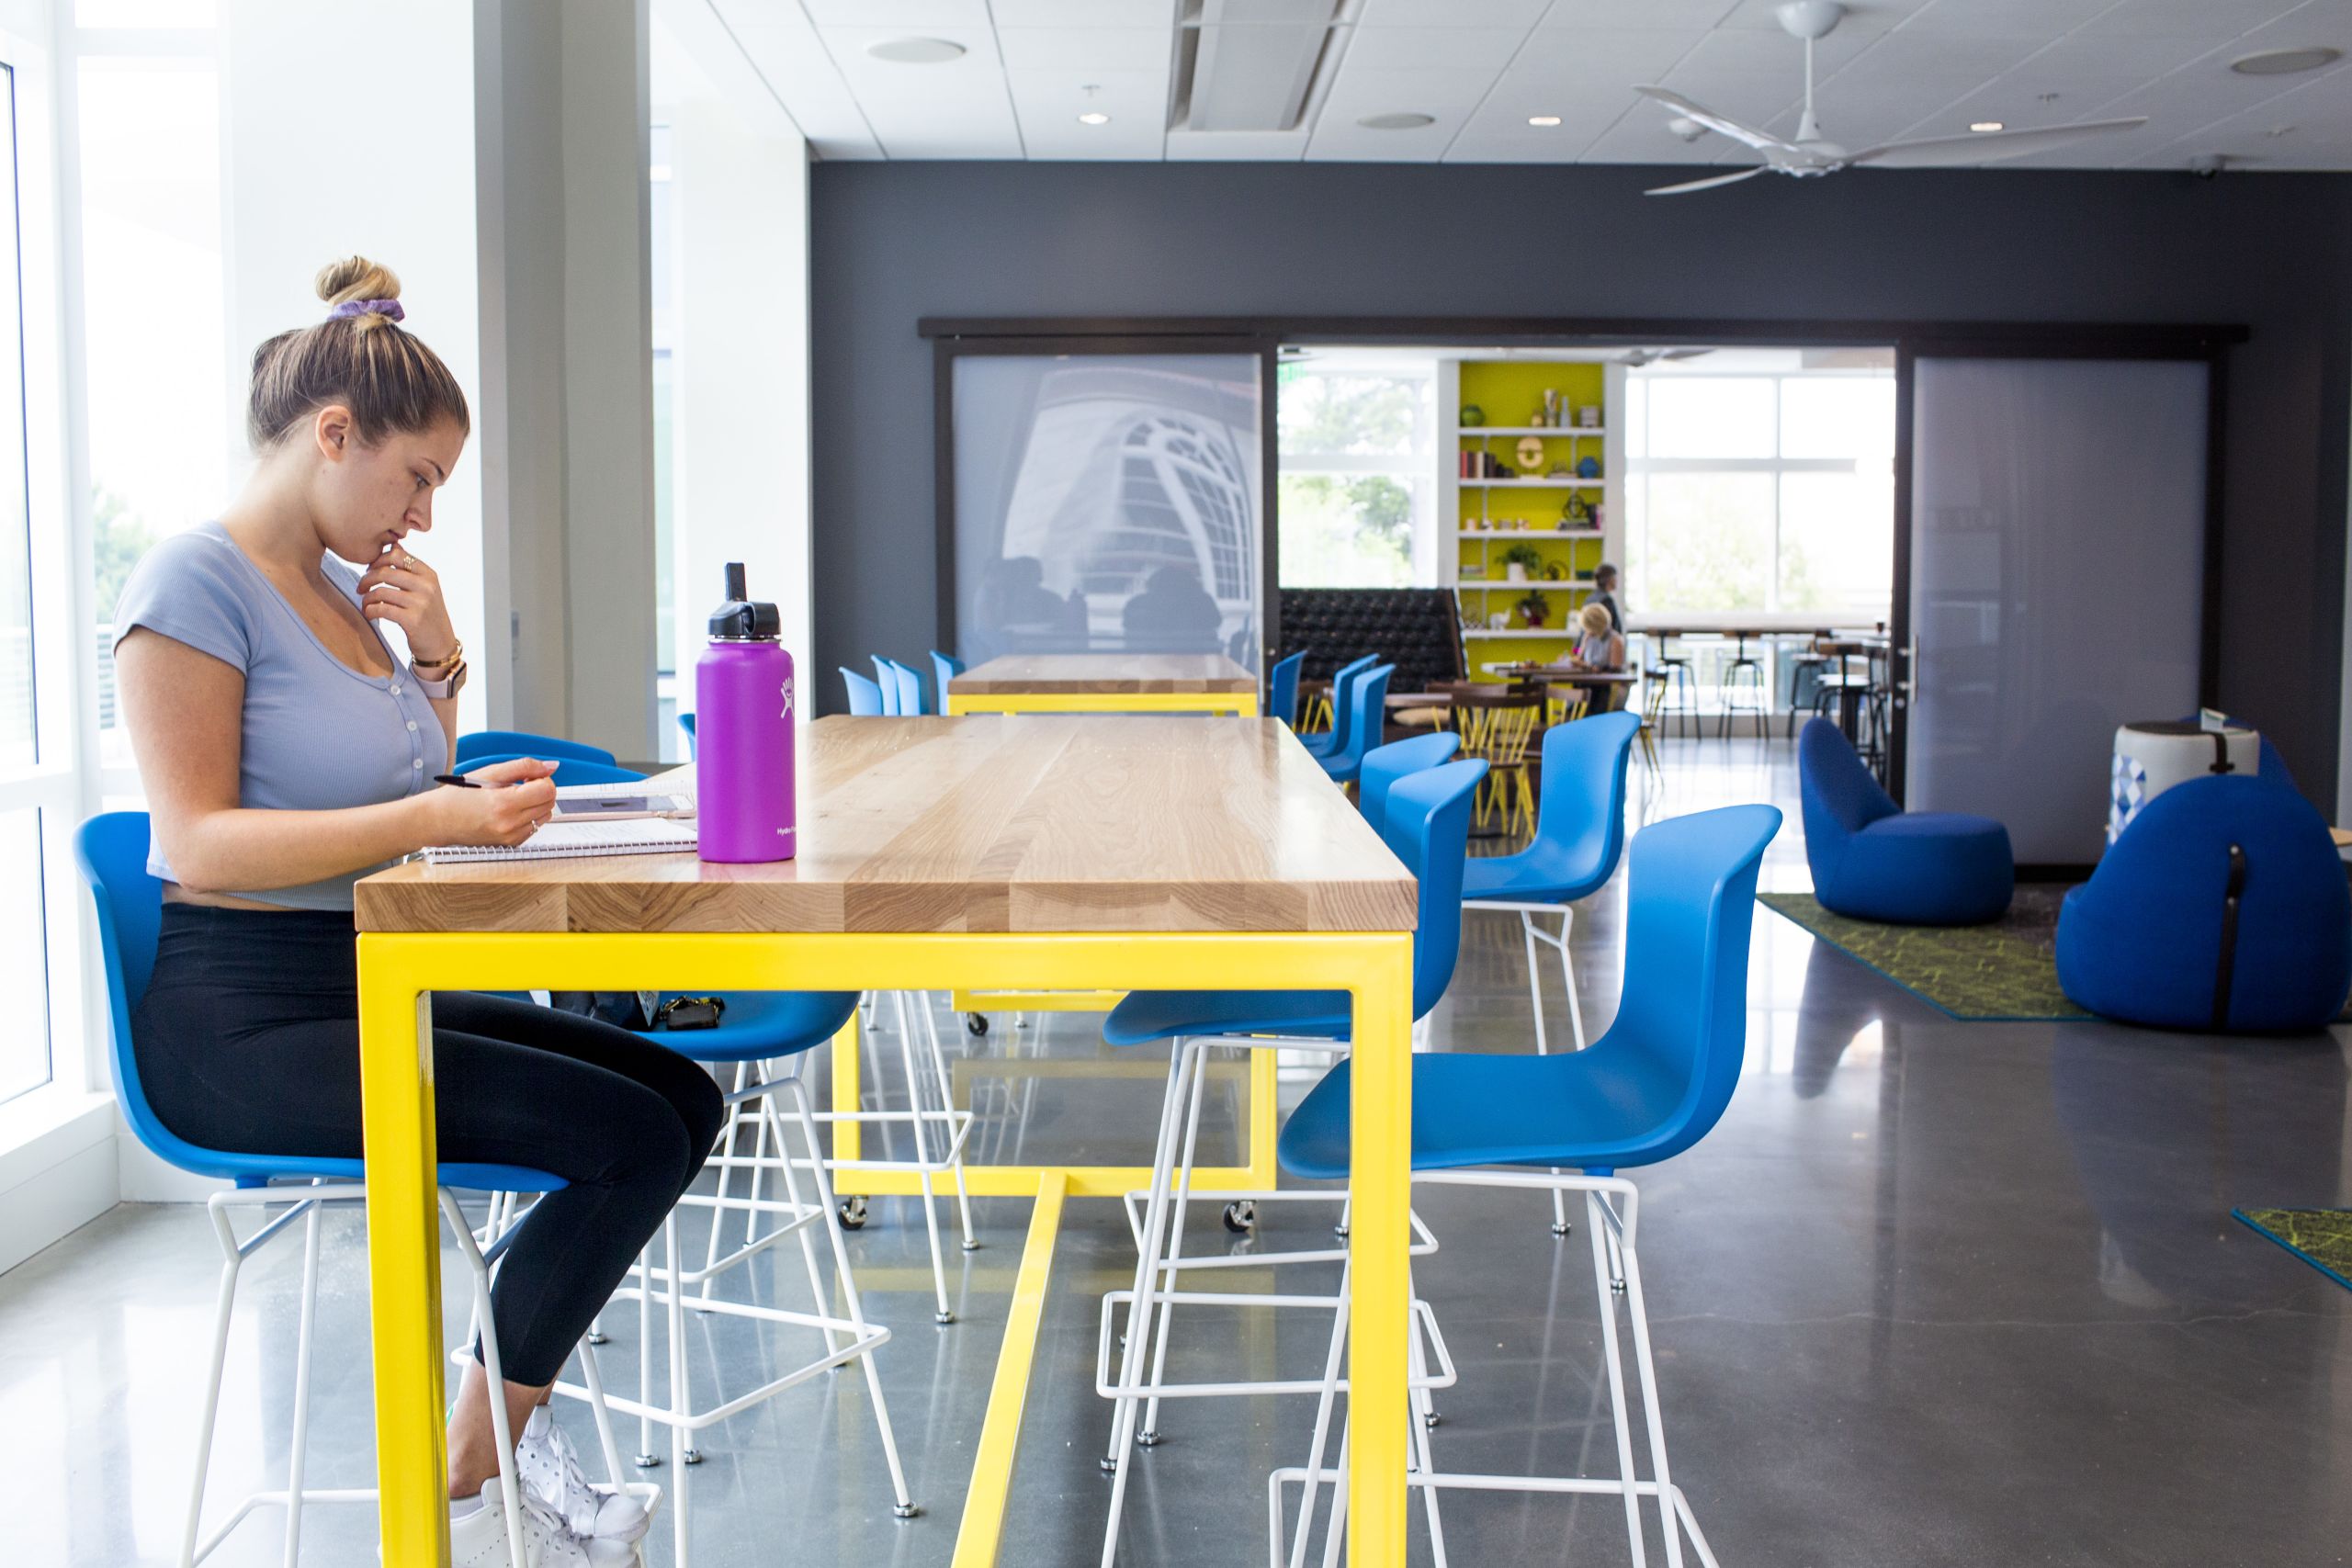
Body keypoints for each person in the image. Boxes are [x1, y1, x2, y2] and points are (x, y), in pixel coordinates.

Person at [111, 256, 723, 1568]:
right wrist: (436, 816)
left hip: (367, 983)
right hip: (244, 1017)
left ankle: (494, 1418)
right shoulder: (191, 585)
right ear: (333, 435)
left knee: (682, 1099)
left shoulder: (344, 593)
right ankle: (479, 1441)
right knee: (626, 1133)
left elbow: (393, 774)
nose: (423, 515)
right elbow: (197, 836)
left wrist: (438, 665)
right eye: (418, 477)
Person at [1564, 599, 1628, 713]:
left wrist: (1592, 668)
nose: (1587, 630)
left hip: (1609, 688)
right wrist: (1576, 662)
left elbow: (1615, 669)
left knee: (1592, 693)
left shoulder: (1615, 640)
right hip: (1592, 685)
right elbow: (1579, 658)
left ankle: (1584, 716)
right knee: (1580, 689)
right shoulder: (1588, 637)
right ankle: (1578, 715)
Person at [1590, 562, 1623, 633]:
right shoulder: (1606, 600)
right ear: (1610, 579)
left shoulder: (1590, 598)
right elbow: (1611, 629)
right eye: (1615, 577)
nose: (1616, 581)